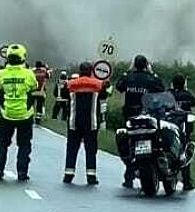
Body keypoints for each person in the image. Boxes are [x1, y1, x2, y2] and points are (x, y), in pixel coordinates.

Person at [114, 54, 165, 186]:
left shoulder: (128, 77)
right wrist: (153, 73)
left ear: (134, 64)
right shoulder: (150, 78)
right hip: (146, 115)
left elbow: (119, 86)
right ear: (146, 65)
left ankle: (129, 176)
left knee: (131, 142)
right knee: (151, 139)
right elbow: (161, 88)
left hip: (130, 116)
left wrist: (128, 71)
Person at [0, 44, 38, 181]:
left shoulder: (1, 74)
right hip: (25, 114)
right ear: (23, 57)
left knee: (2, 143)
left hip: (6, 113)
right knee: (24, 145)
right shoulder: (29, 74)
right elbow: (34, 87)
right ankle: (22, 172)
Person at [63, 63, 106, 185]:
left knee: (72, 147)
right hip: (91, 122)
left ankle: (68, 174)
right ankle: (91, 175)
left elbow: (64, 96)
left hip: (74, 121)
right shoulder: (97, 84)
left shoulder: (71, 84)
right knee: (91, 149)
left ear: (80, 71)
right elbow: (104, 97)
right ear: (91, 71)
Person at [31, 61, 49, 125]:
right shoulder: (44, 71)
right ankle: (38, 119)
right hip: (41, 91)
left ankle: (31, 117)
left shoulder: (32, 71)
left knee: (31, 104)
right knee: (39, 105)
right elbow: (47, 78)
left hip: (33, 90)